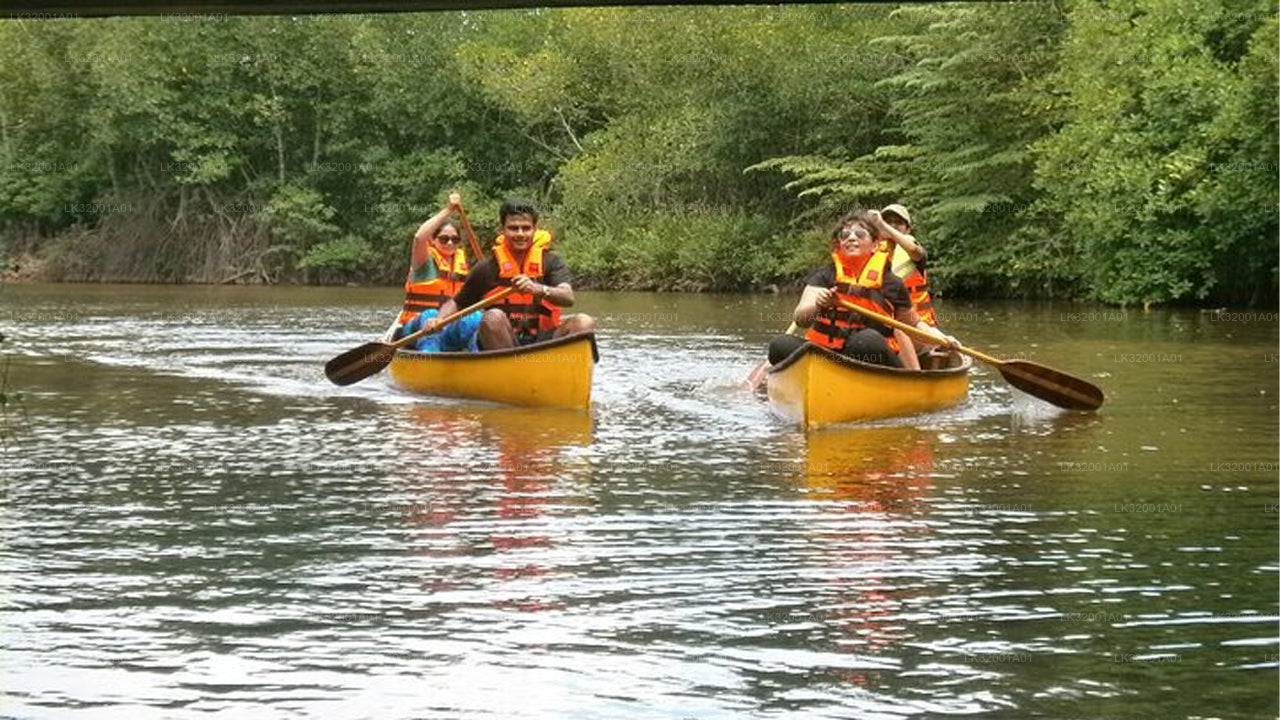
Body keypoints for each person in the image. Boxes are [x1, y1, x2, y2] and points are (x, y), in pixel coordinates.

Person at [767, 210, 955, 370]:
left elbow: (914, 325)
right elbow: (801, 319)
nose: (851, 238)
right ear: (839, 243)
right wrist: (817, 305)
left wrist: (942, 339)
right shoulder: (824, 276)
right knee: (780, 345)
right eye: (845, 234)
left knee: (866, 340)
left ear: (875, 244)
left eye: (860, 234)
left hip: (868, 356)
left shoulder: (892, 283)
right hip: (827, 355)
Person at [431, 199, 595, 349]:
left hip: (543, 339)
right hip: (504, 340)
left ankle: (563, 369)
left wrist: (537, 288)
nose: (520, 234)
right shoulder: (486, 268)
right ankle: (509, 369)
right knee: (492, 317)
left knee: (584, 322)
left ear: (534, 230)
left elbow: (567, 297)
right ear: (502, 230)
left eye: (526, 228)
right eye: (513, 228)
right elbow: (458, 303)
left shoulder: (551, 262)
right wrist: (439, 320)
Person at [393, 192, 482, 352]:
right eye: (443, 238)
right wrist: (449, 209)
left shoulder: (462, 264)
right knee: (431, 315)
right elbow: (419, 237)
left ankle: (478, 360)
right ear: (432, 240)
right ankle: (428, 359)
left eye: (454, 239)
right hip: (415, 329)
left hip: (448, 327)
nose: (449, 243)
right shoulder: (424, 262)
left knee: (477, 318)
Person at [872, 204, 937, 328]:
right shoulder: (870, 248)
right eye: (888, 221)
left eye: (898, 223)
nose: (892, 225)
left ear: (908, 230)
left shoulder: (914, 249)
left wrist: (884, 226)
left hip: (917, 322)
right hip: (886, 320)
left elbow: (914, 250)